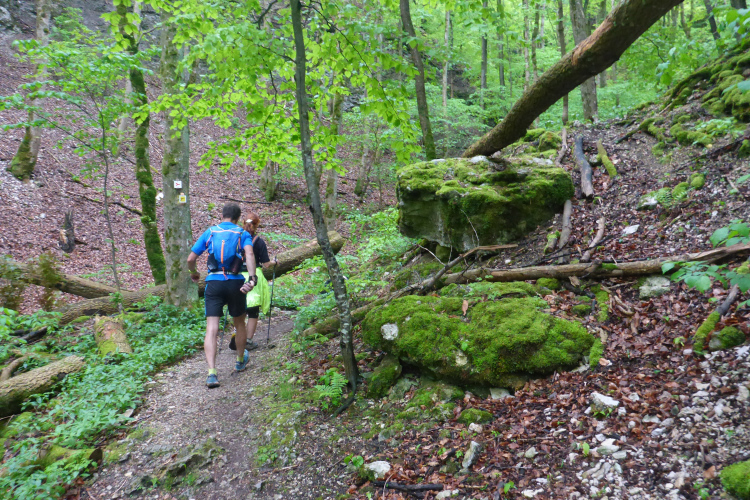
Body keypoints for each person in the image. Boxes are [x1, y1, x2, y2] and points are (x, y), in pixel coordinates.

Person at [187, 203, 257, 389]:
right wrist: (252, 278)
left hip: (214, 283)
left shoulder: (210, 232)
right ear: (238, 218)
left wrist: (194, 273)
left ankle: (212, 373)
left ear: (223, 215)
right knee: (239, 323)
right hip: (235, 283)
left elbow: (190, 259)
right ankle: (240, 360)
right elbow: (249, 254)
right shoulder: (242, 233)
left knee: (212, 328)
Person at [229, 211, 277, 351]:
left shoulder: (235, 240)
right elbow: (266, 264)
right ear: (257, 225)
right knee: (253, 310)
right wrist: (275, 262)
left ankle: (237, 334)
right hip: (253, 276)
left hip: (236, 276)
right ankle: (248, 340)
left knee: (239, 308)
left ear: (243, 223)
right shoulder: (258, 242)